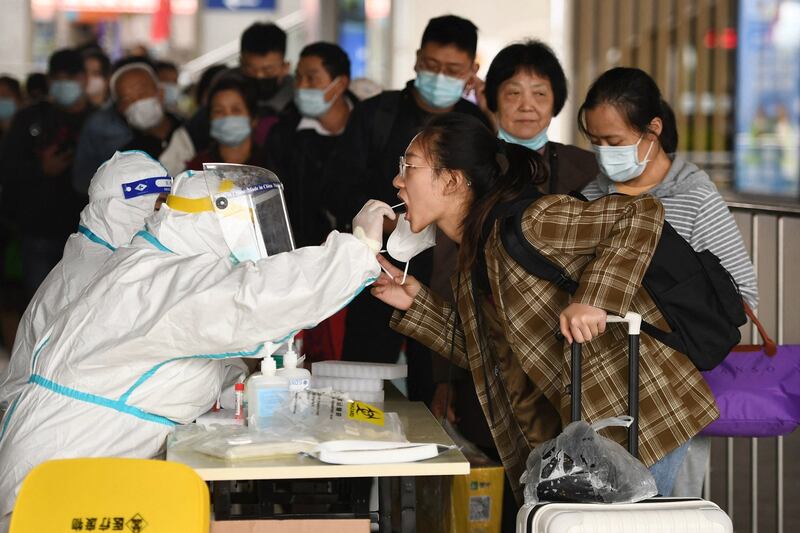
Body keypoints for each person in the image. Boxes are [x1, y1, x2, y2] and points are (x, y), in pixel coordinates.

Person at [369, 112, 719, 507]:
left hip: (637, 422)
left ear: (452, 180)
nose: (399, 181)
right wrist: (414, 301)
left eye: (409, 167)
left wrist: (594, 298)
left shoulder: (533, 222)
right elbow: (486, 356)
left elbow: (638, 214)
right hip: (578, 443)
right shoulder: (475, 260)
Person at [0, 169, 385, 527]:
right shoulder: (160, 279)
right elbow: (251, 300)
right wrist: (357, 250)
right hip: (61, 474)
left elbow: (193, 355)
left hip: (84, 463)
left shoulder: (157, 268)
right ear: (216, 222)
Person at [578, 67, 758, 497]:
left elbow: (743, 296)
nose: (604, 153)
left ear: (652, 129)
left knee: (666, 512)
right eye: (595, 142)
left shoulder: (694, 196)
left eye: (615, 142)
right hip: (600, 396)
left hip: (674, 398)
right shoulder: (590, 198)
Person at [430, 39, 601, 455]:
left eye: (540, 93)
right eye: (513, 93)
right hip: (489, 353)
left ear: (556, 102)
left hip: (566, 351)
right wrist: (443, 378)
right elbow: (446, 270)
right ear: (492, 101)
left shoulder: (584, 168)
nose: (527, 105)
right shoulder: (471, 169)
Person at [325, 14, 489, 405]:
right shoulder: (375, 114)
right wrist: (383, 221)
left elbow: (483, 197)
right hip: (378, 273)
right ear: (417, 59)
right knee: (363, 390)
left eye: (452, 70)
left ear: (472, 71)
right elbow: (336, 187)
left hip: (445, 277)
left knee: (433, 390)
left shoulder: (474, 126)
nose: (439, 76)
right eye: (432, 66)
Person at [0, 150, 172, 410]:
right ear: (117, 207)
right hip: (57, 423)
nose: (163, 217)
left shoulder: (101, 260)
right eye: (157, 205)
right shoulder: (94, 275)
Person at [0, 48, 94, 301]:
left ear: (84, 78)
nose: (65, 84)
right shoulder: (31, 118)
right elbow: (8, 168)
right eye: (59, 78)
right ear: (50, 80)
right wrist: (40, 170)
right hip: (39, 232)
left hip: (88, 235)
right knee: (39, 307)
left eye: (71, 77)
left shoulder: (99, 121)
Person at [266, 41, 355, 247]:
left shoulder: (370, 127)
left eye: (311, 78)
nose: (300, 86)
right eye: (298, 77)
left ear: (340, 84)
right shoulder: (283, 135)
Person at [183, 23, 292, 160]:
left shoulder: (296, 106)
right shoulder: (218, 96)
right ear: (240, 63)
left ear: (285, 67)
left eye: (268, 70)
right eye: (251, 69)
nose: (259, 76)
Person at [73, 60, 182, 195]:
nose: (136, 102)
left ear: (160, 93)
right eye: (126, 99)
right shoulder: (124, 156)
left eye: (142, 93)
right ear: (120, 109)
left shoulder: (190, 133)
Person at [185, 73, 266, 170]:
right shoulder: (198, 168)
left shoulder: (270, 163)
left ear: (253, 119)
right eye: (218, 111)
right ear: (210, 119)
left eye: (236, 110)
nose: (227, 117)